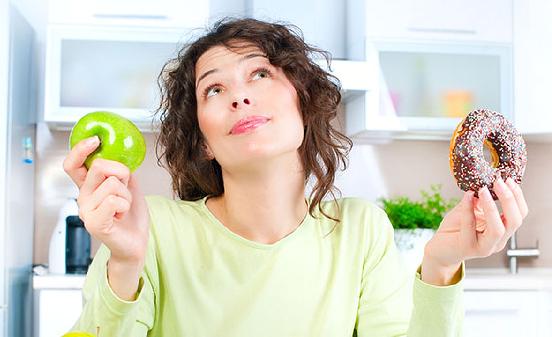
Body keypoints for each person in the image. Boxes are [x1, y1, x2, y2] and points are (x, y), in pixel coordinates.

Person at [63, 18, 529, 337]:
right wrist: (123, 263)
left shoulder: (361, 231)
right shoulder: (152, 230)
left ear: (303, 102)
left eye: (260, 74)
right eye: (215, 88)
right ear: (202, 139)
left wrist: (441, 265)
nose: (239, 97)